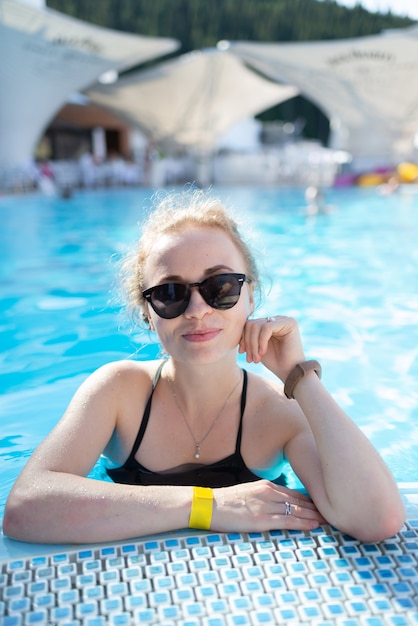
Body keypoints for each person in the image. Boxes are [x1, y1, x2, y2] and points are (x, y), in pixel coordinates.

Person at [3, 190, 405, 545]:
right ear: (148, 313)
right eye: (170, 293)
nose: (197, 311)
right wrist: (207, 505)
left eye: (222, 287)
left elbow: (377, 519)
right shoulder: (119, 392)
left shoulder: (277, 412)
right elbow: (25, 508)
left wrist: (300, 377)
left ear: (252, 296)